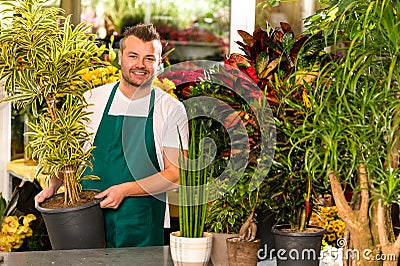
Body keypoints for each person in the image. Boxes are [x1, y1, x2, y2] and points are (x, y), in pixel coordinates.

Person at [35, 23, 189, 247]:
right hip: (87, 218)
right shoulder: (91, 100)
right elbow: (71, 157)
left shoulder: (171, 109)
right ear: (120, 57)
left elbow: (174, 175)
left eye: (149, 58)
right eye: (133, 56)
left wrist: (125, 190)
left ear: (159, 63)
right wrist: (53, 184)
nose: (140, 65)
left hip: (141, 224)